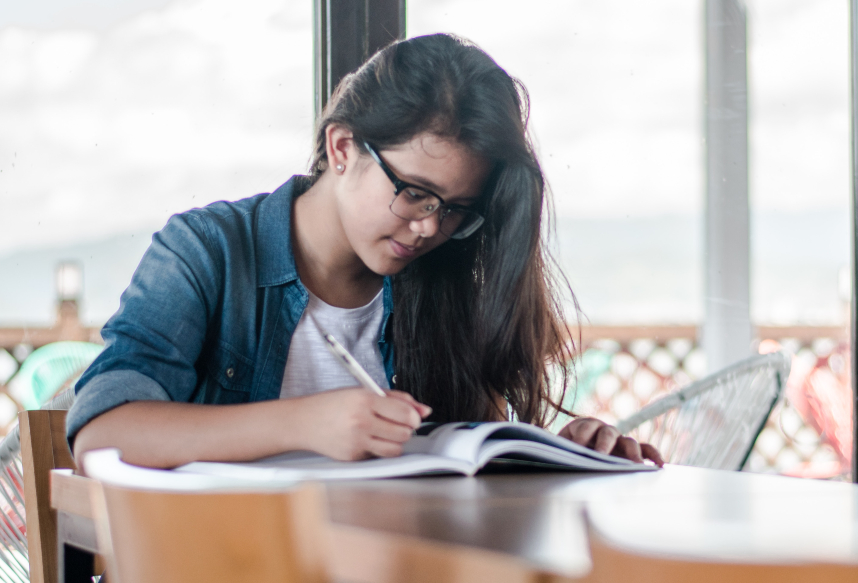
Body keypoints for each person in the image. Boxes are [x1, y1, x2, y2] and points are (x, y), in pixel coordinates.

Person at [68, 33, 662, 470]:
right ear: (344, 146)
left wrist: (567, 452)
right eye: (415, 194)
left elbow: (469, 463)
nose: (430, 227)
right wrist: (306, 422)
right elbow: (103, 433)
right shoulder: (208, 251)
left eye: (454, 208)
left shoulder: (440, 279)